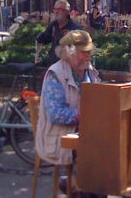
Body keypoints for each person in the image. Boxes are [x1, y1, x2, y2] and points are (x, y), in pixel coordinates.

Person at [36, 30, 100, 166]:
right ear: (69, 52)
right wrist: (83, 116)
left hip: (84, 130)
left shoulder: (90, 71)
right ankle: (79, 184)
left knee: (114, 140)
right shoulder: (55, 74)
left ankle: (88, 183)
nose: (88, 56)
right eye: (83, 52)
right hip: (59, 137)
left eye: (89, 51)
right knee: (99, 149)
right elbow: (55, 114)